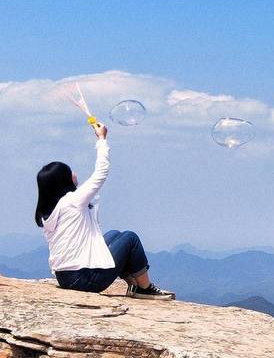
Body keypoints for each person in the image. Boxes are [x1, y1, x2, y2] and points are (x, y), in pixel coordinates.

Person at [34, 121, 174, 300]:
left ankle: (133, 283)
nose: (74, 172)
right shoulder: (72, 201)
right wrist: (102, 139)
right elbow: (101, 171)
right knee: (130, 238)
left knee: (115, 235)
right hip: (85, 280)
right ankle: (144, 289)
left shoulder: (50, 211)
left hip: (65, 277)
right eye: (69, 171)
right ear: (62, 181)